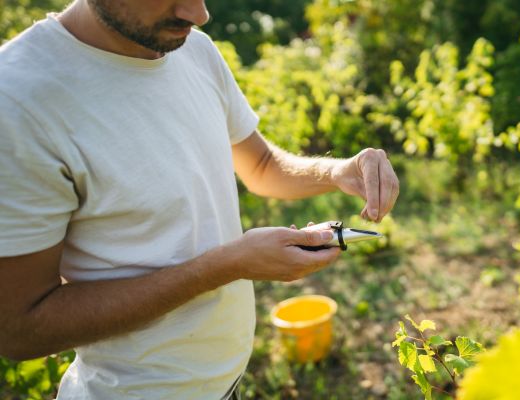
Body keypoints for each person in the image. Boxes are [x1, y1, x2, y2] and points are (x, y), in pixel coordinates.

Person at [0, 0, 400, 398]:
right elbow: (20, 329)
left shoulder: (194, 49)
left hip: (228, 386)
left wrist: (335, 171)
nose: (199, 13)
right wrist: (225, 266)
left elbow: (260, 165)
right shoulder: (18, 100)